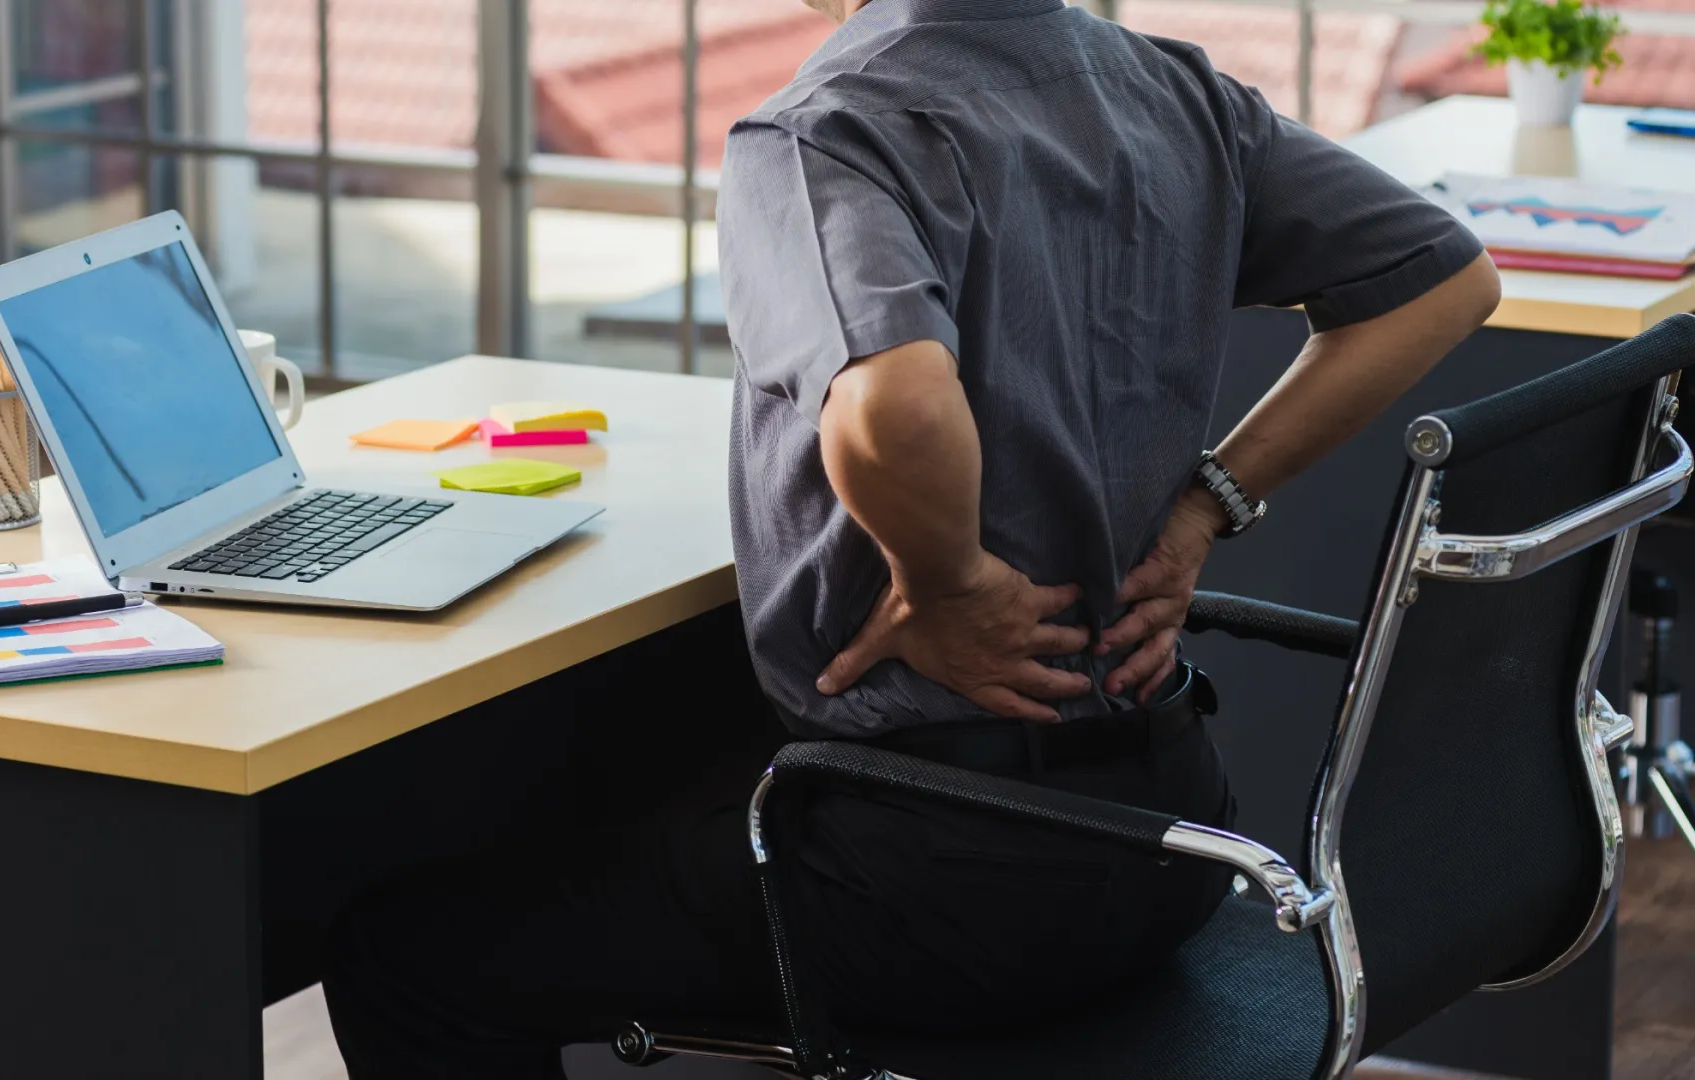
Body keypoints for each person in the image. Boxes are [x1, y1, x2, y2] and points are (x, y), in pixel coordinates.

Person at [320, 0, 1502, 1075]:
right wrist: (1208, 505)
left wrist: (950, 584)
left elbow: (895, 405)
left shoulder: (826, 132)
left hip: (937, 885)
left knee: (406, 956)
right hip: (1169, 840)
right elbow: (1446, 280)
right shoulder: (1172, 91)